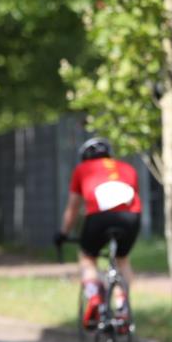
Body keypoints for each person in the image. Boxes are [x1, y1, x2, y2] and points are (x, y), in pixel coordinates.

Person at [54, 137, 141, 328]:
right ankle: (122, 305)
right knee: (122, 259)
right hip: (131, 217)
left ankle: (94, 296)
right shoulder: (128, 168)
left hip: (99, 217)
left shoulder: (82, 169)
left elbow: (73, 208)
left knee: (87, 257)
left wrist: (63, 233)